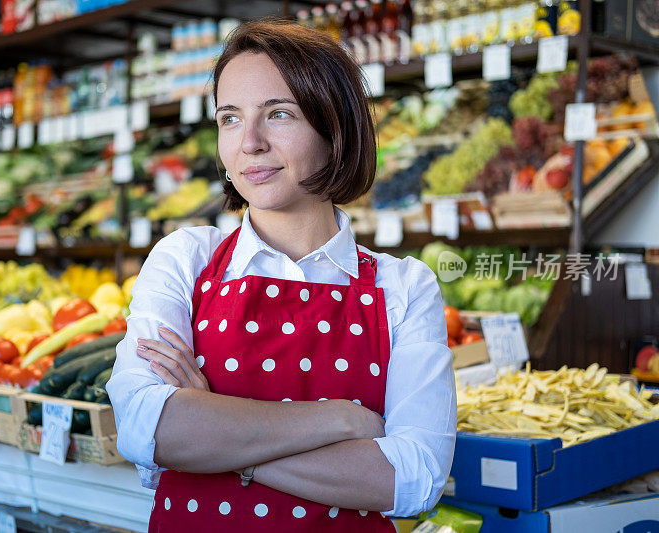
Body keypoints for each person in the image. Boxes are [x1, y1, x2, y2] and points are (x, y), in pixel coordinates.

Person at [107, 20, 456, 531]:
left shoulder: (404, 287)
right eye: (230, 118)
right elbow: (145, 429)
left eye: (278, 114)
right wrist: (341, 421)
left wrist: (217, 432)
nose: (249, 142)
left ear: (333, 127)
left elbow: (413, 479)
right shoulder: (185, 259)